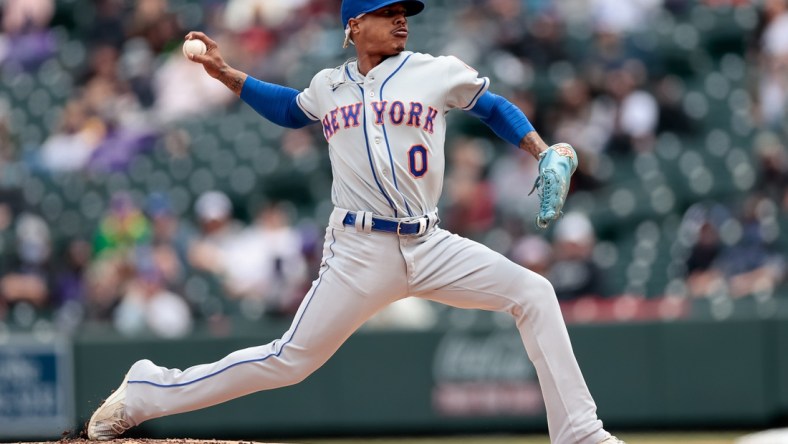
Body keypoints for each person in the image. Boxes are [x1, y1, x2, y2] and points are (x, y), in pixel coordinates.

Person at [87, 2, 624, 443]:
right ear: (353, 26)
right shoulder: (328, 86)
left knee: (534, 293)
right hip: (358, 249)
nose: (401, 20)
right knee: (288, 362)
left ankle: (579, 432)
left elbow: (492, 106)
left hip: (430, 241)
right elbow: (288, 109)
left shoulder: (434, 70)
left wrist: (539, 147)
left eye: (403, 12)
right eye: (386, 11)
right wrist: (227, 73)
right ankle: (146, 391)